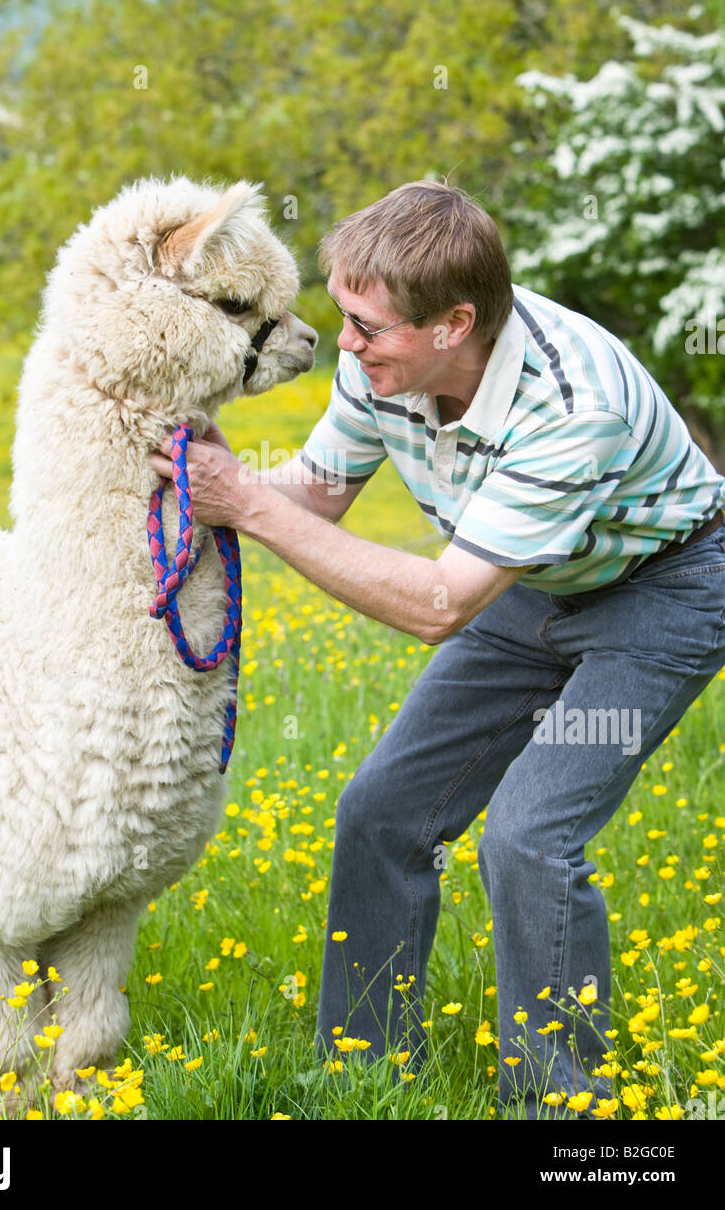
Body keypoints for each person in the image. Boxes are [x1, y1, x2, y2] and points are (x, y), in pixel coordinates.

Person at [149, 179, 725, 1118]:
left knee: (530, 836)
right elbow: (319, 494)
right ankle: (364, 1075)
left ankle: (557, 1117)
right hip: (531, 579)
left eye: (367, 327)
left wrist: (246, 505)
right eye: (343, 313)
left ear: (455, 324)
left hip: (661, 589)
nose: (344, 341)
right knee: (381, 811)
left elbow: (437, 605)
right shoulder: (383, 361)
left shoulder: (573, 404)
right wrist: (214, 472)